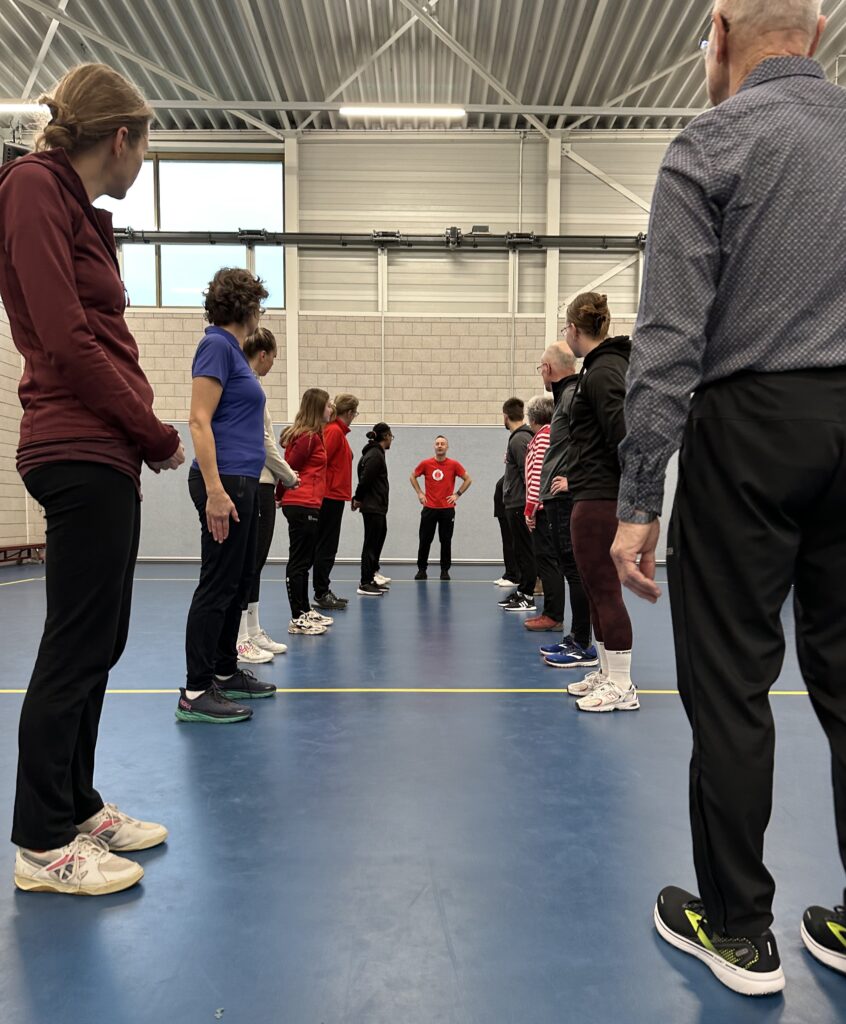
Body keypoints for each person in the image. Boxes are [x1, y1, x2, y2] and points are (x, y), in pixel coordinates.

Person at [611, 0, 844, 995]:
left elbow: (668, 341)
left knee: (732, 684)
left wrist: (639, 498)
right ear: (818, 33)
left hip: (750, 428)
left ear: (717, 32)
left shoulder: (709, 144)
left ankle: (741, 931)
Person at [0, 64, 184, 895]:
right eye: (145, 147)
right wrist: (152, 431)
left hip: (104, 450)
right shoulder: (35, 188)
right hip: (76, 445)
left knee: (100, 641)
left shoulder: (74, 206)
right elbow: (67, 337)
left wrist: (133, 437)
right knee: (75, 644)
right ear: (121, 139)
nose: (142, 162)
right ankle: (41, 845)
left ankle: (75, 805)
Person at [179, 268, 278, 725]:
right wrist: (216, 491)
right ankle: (196, 690)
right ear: (246, 306)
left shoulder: (233, 352)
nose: (260, 312)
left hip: (243, 481)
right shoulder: (216, 345)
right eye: (258, 304)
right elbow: (199, 420)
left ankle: (223, 670)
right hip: (224, 482)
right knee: (218, 583)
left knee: (238, 581)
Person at [554, 293, 636, 712]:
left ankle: (622, 684)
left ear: (573, 329)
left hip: (602, 496)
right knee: (592, 585)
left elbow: (623, 436)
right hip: (591, 490)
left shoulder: (604, 371)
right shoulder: (597, 368)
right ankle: (607, 671)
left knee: (604, 588)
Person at [234, 327, 299, 664]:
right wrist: (289, 474)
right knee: (248, 563)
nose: (273, 363)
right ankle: (240, 638)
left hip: (263, 484)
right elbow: (265, 442)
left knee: (255, 563)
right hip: (256, 481)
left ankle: (253, 629)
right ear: (263, 354)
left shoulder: (253, 385)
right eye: (274, 357)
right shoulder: (248, 386)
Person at [535, 342, 596, 668]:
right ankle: (576, 637)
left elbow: (594, 439)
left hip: (566, 497)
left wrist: (573, 479)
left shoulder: (572, 396)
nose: (541, 373)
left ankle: (582, 644)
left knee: (574, 570)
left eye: (541, 368)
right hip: (556, 498)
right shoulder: (565, 397)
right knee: (571, 568)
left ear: (548, 369)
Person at [279, 389, 334, 635]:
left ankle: (304, 609)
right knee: (299, 561)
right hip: (300, 503)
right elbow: (289, 468)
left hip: (309, 504)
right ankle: (296, 617)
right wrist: (279, 495)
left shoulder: (314, 436)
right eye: (328, 405)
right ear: (317, 408)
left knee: (306, 559)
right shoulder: (307, 438)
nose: (331, 409)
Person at [313, 393, 358, 611]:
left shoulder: (338, 433)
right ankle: (321, 592)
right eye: (355, 413)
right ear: (349, 413)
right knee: (326, 546)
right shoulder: (334, 432)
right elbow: (320, 462)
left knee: (328, 546)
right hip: (329, 497)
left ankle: (323, 589)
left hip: (334, 496)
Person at [522, 395, 561, 631]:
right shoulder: (545, 435)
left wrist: (530, 509)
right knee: (547, 561)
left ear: (533, 418)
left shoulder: (544, 436)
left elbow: (538, 475)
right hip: (543, 507)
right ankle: (551, 613)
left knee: (547, 562)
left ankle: (553, 615)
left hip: (543, 509)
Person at [411, 435, 472, 581]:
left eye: (442, 444)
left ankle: (445, 570)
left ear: (447, 447)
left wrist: (457, 494)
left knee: (445, 541)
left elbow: (468, 479)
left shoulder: (454, 464)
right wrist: (420, 493)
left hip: (447, 510)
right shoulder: (426, 464)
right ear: (434, 446)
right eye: (437, 443)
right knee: (425, 540)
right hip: (429, 508)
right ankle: (421, 570)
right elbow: (412, 476)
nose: (439, 446)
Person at [498, 398, 536, 611]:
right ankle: (523, 590)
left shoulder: (519, 439)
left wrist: (529, 506)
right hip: (515, 503)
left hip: (520, 504)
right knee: (520, 551)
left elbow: (527, 473)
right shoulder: (519, 438)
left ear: (506, 416)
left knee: (526, 551)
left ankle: (528, 596)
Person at [353, 423, 393, 596]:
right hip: (372, 506)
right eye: (391, 436)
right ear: (386, 436)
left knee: (377, 540)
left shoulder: (375, 453)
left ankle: (371, 578)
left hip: (377, 506)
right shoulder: (375, 455)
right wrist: (358, 498)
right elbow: (365, 480)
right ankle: (365, 582)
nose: (391, 440)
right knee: (370, 544)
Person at [493, 476, 519, 587]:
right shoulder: (509, 472)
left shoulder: (516, 472)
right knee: (507, 544)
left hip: (509, 510)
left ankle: (514, 576)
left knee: (511, 544)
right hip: (503, 512)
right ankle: (509, 573)